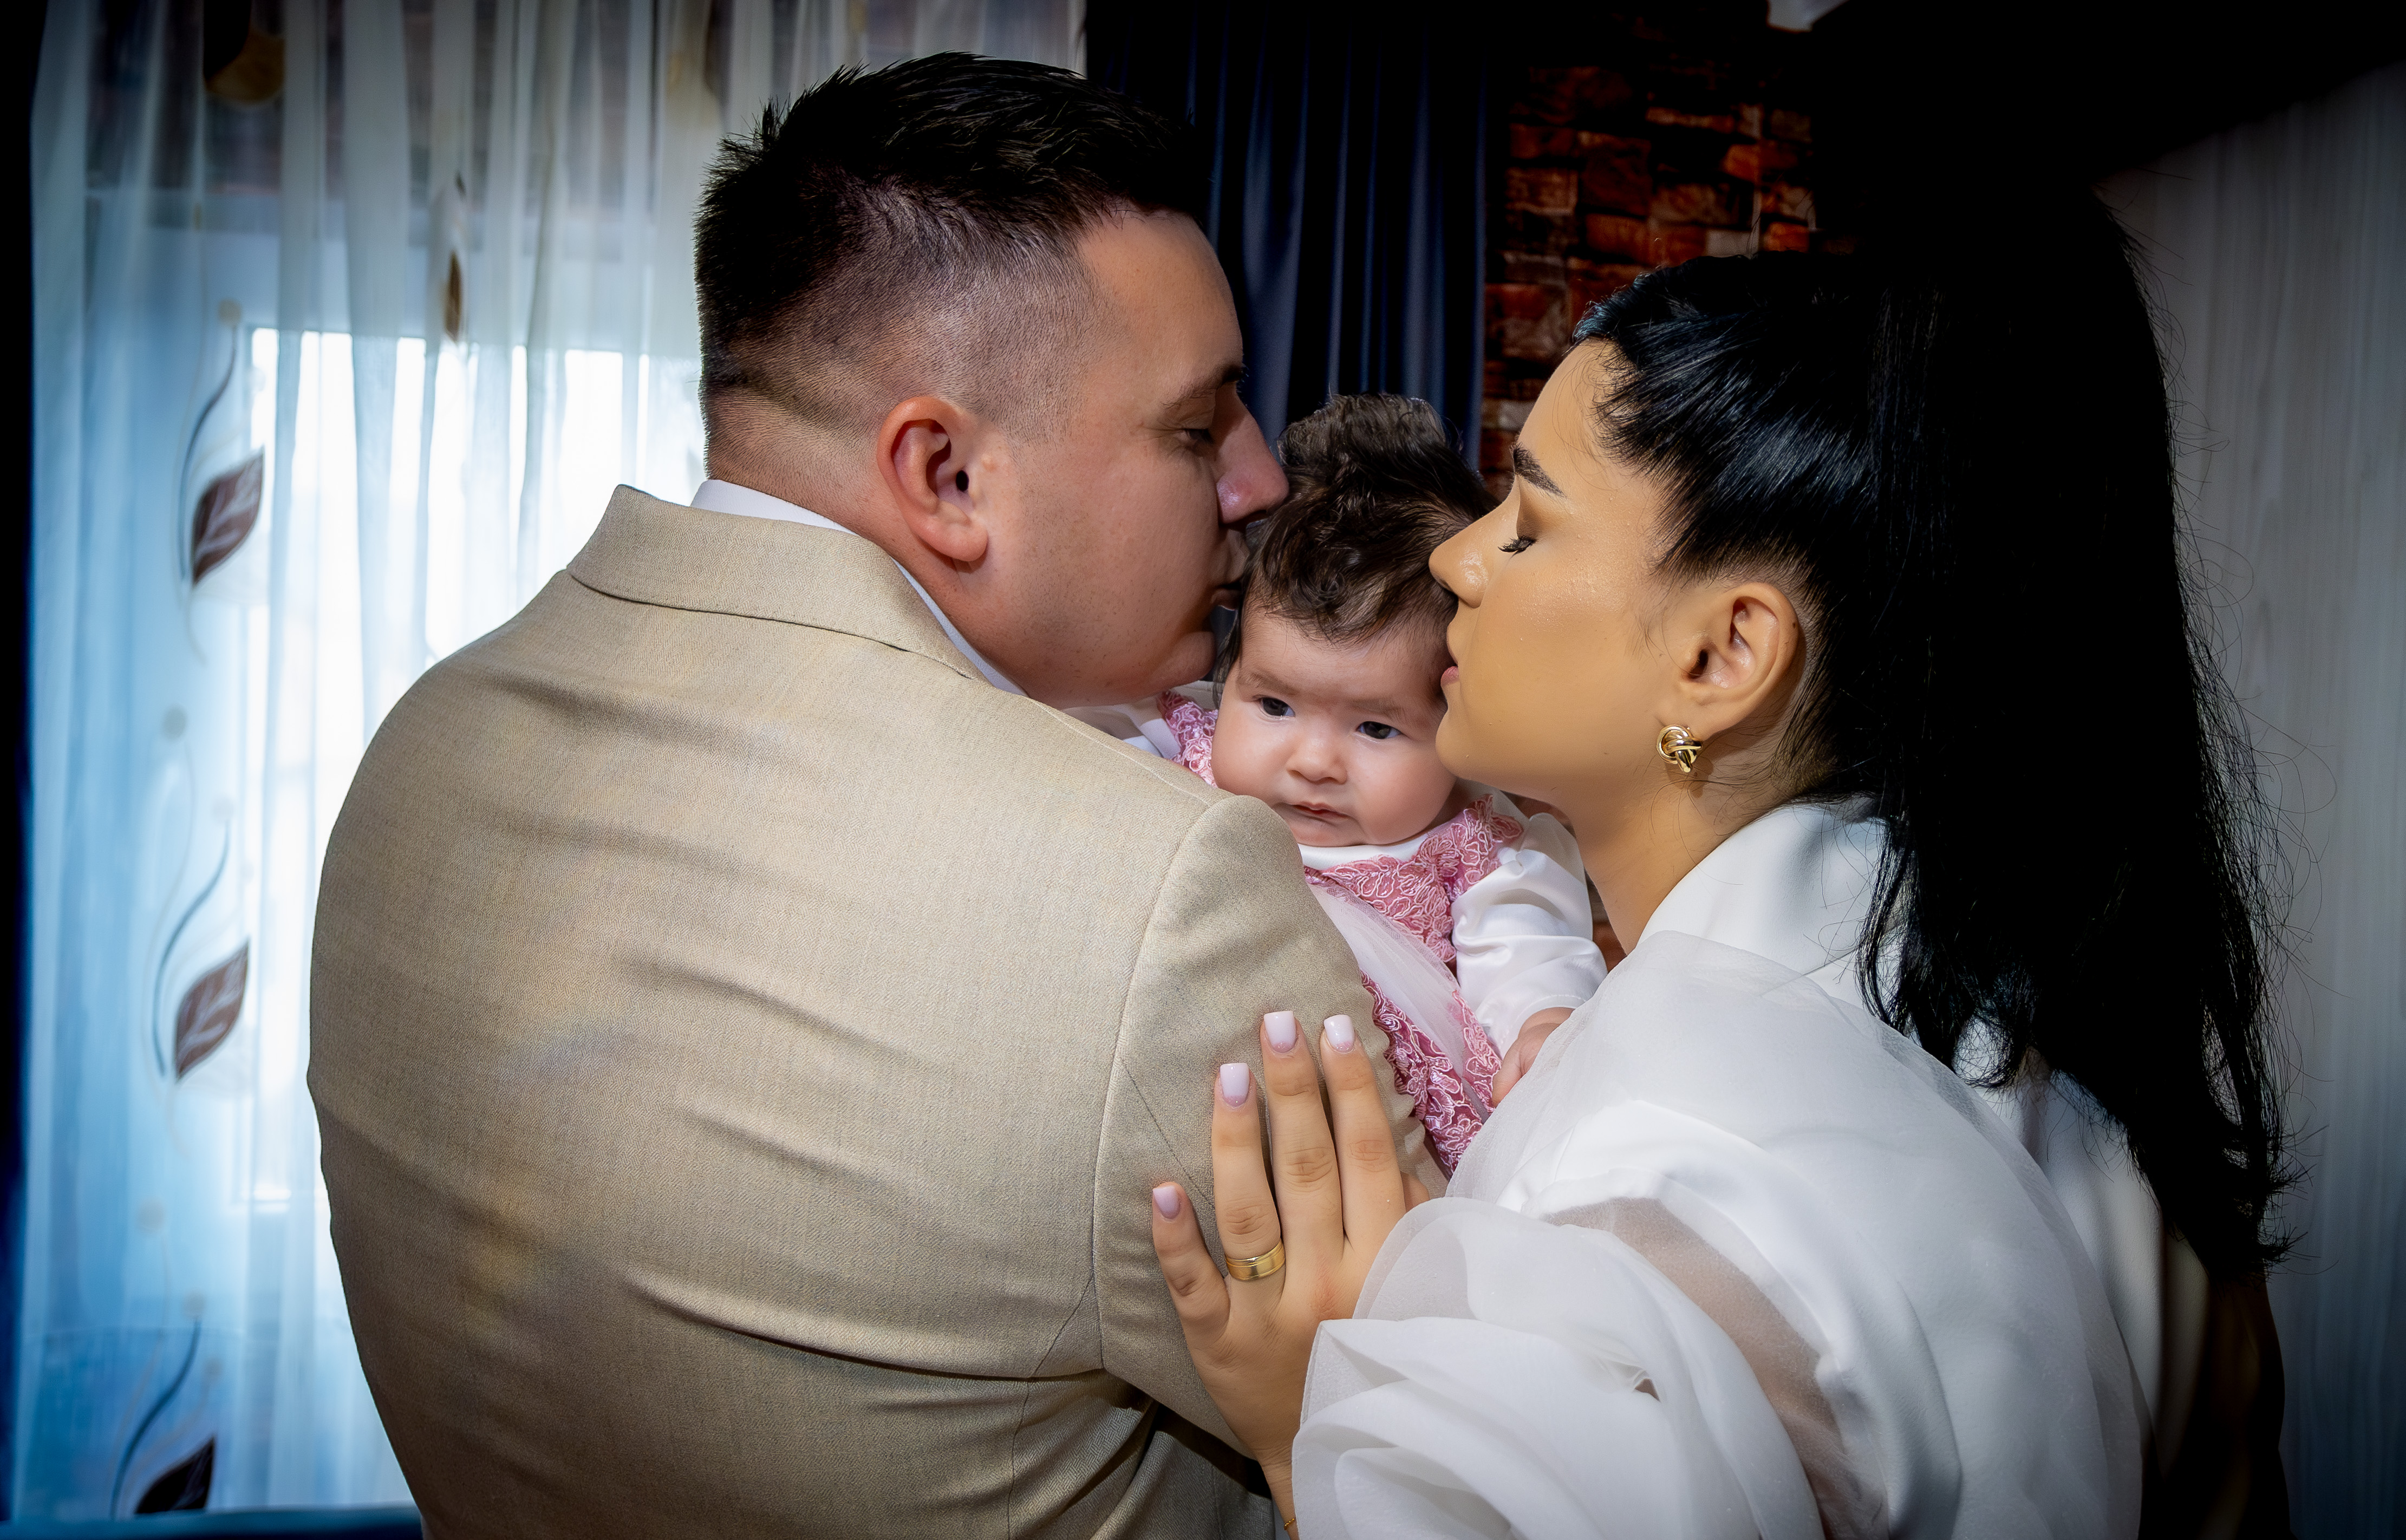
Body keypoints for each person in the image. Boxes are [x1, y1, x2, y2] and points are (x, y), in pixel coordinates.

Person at [310, 55, 1438, 1539]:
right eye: (1195, 424)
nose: (1259, 479)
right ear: (946, 475)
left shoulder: (426, 735)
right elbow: (1454, 1460)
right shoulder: (1158, 895)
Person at [1150, 200, 2294, 1538]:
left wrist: (1306, 1437)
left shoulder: (1648, 1182)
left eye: (1529, 522)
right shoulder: (2010, 994)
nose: (1456, 560)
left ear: (1722, 656)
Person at [1075, 395, 1607, 1170]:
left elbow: (1525, 949)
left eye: (1376, 728)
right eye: (1275, 705)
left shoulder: (1475, 848)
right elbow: (1058, 739)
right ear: (1233, 676)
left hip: (1379, 1137)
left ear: (1455, 718)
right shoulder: (1181, 743)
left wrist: (1542, 1019)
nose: (1314, 762)